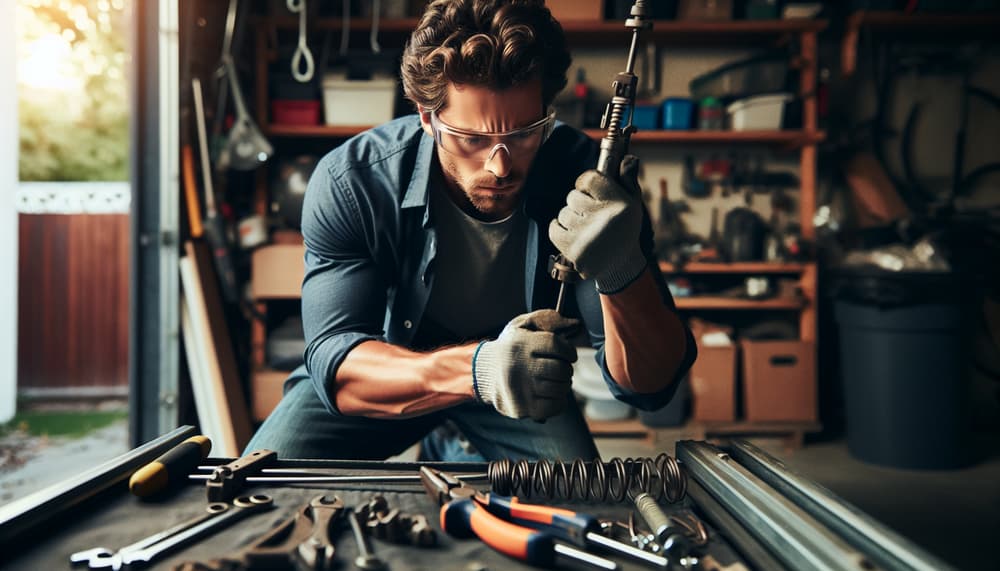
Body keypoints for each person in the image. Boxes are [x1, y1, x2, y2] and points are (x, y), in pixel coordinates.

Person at [246, 0, 696, 461]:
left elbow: (650, 387)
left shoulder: (589, 183)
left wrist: (622, 271)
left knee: (577, 496)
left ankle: (454, 443)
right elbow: (335, 363)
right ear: (427, 117)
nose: (500, 167)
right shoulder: (355, 181)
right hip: (393, 367)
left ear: (547, 112)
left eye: (524, 134)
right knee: (263, 482)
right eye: (472, 139)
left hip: (522, 377)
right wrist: (478, 370)